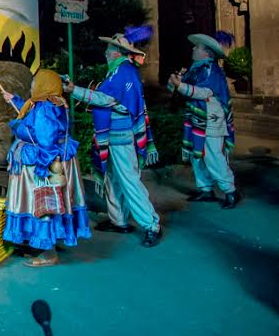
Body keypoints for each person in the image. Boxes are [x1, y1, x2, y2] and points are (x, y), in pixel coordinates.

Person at [65, 33, 162, 248]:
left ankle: (151, 225)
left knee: (129, 181)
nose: (105, 52)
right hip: (115, 137)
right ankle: (118, 220)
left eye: (108, 49)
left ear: (117, 53)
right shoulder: (120, 71)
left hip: (121, 138)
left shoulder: (123, 72)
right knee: (113, 179)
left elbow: (105, 99)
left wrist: (74, 90)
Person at [0, 70, 90, 267]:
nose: (32, 85)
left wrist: (43, 167)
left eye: (35, 82)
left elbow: (46, 139)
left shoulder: (45, 108)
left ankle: (48, 252)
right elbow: (32, 116)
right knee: (51, 203)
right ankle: (47, 242)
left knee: (44, 204)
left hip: (43, 161)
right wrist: (14, 100)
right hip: (53, 157)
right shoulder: (53, 103)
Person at [168, 34, 238, 209]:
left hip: (211, 121)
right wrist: (175, 81)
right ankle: (206, 189)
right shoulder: (196, 69)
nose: (193, 48)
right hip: (198, 119)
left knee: (213, 156)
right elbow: (176, 89)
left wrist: (179, 84)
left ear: (206, 52)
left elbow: (202, 92)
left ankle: (230, 191)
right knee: (197, 155)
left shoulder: (212, 71)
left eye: (197, 47)